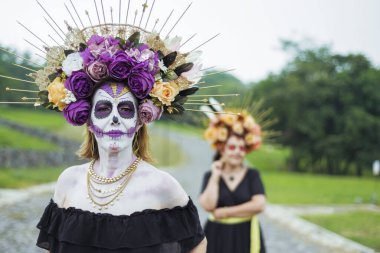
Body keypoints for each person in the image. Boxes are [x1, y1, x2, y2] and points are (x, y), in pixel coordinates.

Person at [0, 2, 216, 252]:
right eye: (103, 109)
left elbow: (197, 245)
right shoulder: (68, 182)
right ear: (89, 122)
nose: (115, 118)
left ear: (139, 122)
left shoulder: (163, 186)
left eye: (125, 110)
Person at [199, 111, 266, 253]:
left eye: (241, 148)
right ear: (222, 149)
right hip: (217, 235)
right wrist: (216, 175)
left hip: (245, 234)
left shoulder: (252, 175)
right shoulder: (210, 175)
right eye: (232, 147)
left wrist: (225, 212)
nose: (237, 152)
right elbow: (208, 205)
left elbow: (259, 205)